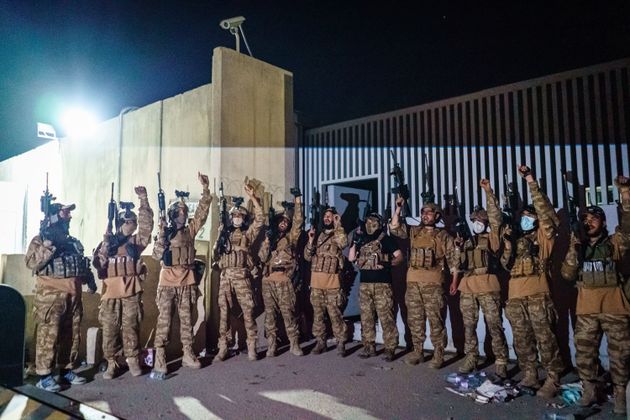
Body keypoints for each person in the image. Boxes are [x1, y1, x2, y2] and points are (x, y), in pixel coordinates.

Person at [560, 175, 630, 415]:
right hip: (587, 309)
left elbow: (628, 224)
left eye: (594, 218)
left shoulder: (614, 243)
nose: (589, 222)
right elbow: (567, 275)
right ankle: (590, 389)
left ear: (603, 221)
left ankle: (621, 393)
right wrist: (573, 248)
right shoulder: (579, 246)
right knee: (584, 354)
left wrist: (625, 192)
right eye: (585, 219)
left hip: (615, 307)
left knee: (620, 354)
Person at [502, 165, 564, 399]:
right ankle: (530, 373)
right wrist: (508, 245)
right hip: (515, 295)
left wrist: (530, 182)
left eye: (530, 218)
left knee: (545, 337)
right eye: (524, 218)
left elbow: (545, 214)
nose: (526, 221)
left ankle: (552, 378)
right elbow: (506, 265)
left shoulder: (543, 238)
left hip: (538, 293)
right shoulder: (516, 239)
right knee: (522, 338)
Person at [25, 201, 96, 391]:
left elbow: (80, 264)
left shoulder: (71, 241)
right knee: (48, 336)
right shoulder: (41, 239)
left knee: (71, 336)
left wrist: (89, 280)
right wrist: (48, 243)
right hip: (50, 298)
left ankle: (66, 370)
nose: (70, 217)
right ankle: (44, 375)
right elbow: (32, 263)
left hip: (73, 297)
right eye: (65, 214)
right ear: (55, 216)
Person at [150, 172, 211, 379]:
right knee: (164, 320)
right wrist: (162, 237)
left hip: (187, 282)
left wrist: (205, 190)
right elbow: (156, 255)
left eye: (185, 212)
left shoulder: (190, 231)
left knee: (187, 320)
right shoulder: (165, 232)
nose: (183, 215)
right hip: (167, 283)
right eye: (179, 213)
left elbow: (202, 214)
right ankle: (160, 355)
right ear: (172, 215)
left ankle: (187, 353)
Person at [389, 198, 458, 369]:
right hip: (413, 283)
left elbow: (453, 261)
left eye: (429, 212)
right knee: (415, 319)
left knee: (436, 320)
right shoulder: (414, 232)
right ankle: (418, 352)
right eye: (423, 212)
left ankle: (438, 354)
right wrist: (398, 208)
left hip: (433, 284)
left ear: (436, 215)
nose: (425, 215)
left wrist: (454, 281)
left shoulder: (444, 236)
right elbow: (394, 227)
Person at [93, 186, 153, 379]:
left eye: (134, 222)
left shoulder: (135, 243)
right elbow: (98, 264)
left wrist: (143, 200)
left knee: (131, 328)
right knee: (109, 329)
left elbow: (147, 228)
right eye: (129, 222)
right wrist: (105, 243)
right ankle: (112, 362)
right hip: (111, 293)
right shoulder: (107, 243)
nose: (133, 225)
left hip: (131, 292)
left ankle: (133, 360)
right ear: (120, 222)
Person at [452, 179, 509, 378]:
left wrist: (488, 193)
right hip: (467, 286)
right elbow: (456, 264)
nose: (476, 223)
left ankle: (501, 360)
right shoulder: (467, 239)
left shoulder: (492, 238)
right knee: (469, 325)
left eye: (479, 220)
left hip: (487, 284)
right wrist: (458, 247)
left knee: (494, 324)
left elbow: (495, 217)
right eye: (473, 219)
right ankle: (471, 356)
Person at [213, 183, 264, 362]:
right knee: (224, 313)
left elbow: (260, 220)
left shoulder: (247, 235)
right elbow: (215, 255)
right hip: (226, 277)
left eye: (240, 216)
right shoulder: (224, 235)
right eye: (234, 215)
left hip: (242, 277)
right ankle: (223, 347)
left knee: (248, 311)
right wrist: (219, 238)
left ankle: (251, 346)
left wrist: (253, 198)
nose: (237, 218)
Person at [348, 212, 402, 361]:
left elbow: (400, 257)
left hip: (382, 285)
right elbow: (352, 258)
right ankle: (368, 346)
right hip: (365, 285)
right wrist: (354, 241)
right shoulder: (362, 239)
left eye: (373, 222)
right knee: (366, 317)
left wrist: (387, 263)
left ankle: (390, 348)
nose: (370, 225)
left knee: (386, 317)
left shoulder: (386, 240)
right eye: (368, 222)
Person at [258, 190, 304, 357]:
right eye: (281, 221)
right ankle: (272, 345)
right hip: (268, 281)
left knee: (288, 313)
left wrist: (297, 202)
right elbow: (262, 257)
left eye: (286, 221)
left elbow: (298, 222)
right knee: (270, 315)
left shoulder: (291, 238)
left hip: (284, 280)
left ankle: (294, 344)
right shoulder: (270, 238)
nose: (284, 223)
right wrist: (268, 241)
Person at [304, 208, 349, 356]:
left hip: (332, 284)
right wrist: (310, 241)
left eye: (330, 216)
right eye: (325, 216)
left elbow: (343, 243)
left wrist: (339, 225)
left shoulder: (337, 234)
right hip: (316, 284)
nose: (327, 218)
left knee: (335, 315)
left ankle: (341, 342)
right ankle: (320, 342)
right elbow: (307, 256)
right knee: (318, 316)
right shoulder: (317, 235)